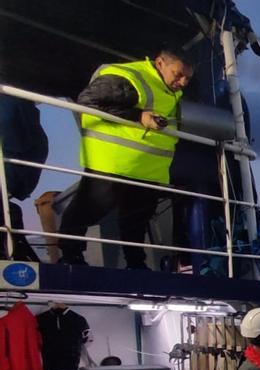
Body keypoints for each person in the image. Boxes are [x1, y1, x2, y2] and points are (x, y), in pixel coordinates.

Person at [56, 46, 194, 269]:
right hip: (112, 163)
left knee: (137, 220)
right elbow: (88, 101)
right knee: (88, 210)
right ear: (160, 63)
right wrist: (138, 116)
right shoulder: (128, 77)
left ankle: (136, 263)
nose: (183, 82)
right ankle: (70, 256)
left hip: (148, 170)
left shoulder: (171, 91)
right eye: (178, 75)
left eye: (187, 78)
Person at [0, 94, 48, 262]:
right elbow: (39, 147)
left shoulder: (12, 103)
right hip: (13, 176)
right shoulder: (16, 104)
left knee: (9, 212)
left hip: (11, 174)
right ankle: (19, 251)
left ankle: (18, 251)